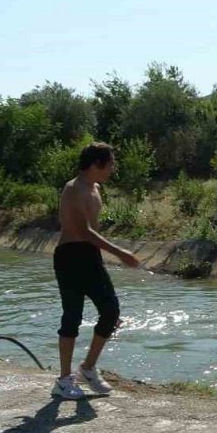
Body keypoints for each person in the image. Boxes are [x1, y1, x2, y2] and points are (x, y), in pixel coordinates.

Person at [52, 142, 140, 400]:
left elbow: (92, 231)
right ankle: (64, 379)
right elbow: (83, 232)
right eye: (110, 163)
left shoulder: (96, 188)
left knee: (111, 312)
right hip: (69, 256)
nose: (113, 168)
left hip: (90, 256)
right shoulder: (73, 189)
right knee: (72, 316)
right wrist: (121, 253)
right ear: (95, 165)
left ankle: (88, 368)